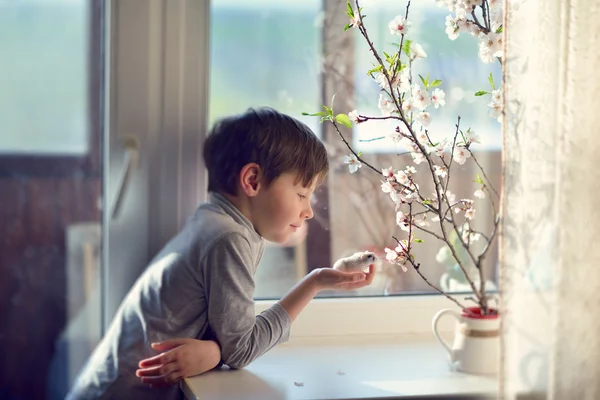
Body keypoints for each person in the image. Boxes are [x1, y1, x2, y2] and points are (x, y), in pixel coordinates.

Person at [68, 107, 376, 399]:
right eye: (301, 194)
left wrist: (215, 350)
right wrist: (315, 282)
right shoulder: (228, 238)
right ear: (252, 180)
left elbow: (227, 331)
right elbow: (240, 349)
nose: (308, 210)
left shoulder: (213, 220)